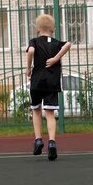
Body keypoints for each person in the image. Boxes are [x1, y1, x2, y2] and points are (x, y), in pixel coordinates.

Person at [26, 14, 72, 161]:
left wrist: (28, 68)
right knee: (50, 113)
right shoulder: (57, 43)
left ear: (38, 29)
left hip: (37, 81)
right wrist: (56, 58)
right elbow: (68, 44)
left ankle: (38, 140)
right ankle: (52, 143)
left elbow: (31, 51)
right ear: (53, 29)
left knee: (36, 110)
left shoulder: (34, 41)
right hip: (52, 81)